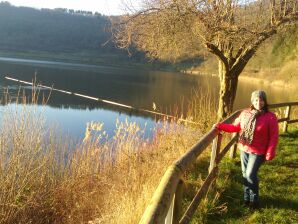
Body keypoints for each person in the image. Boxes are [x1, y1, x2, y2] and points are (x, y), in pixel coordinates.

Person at [216, 90, 279, 208]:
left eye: (261, 100)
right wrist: (220, 126)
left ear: (265, 101)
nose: (258, 102)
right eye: (256, 99)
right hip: (244, 148)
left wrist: (270, 151)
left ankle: (254, 201)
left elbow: (274, 136)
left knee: (250, 174)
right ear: (252, 101)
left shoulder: (270, 117)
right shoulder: (245, 113)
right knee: (245, 174)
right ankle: (246, 199)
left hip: (259, 151)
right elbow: (235, 127)